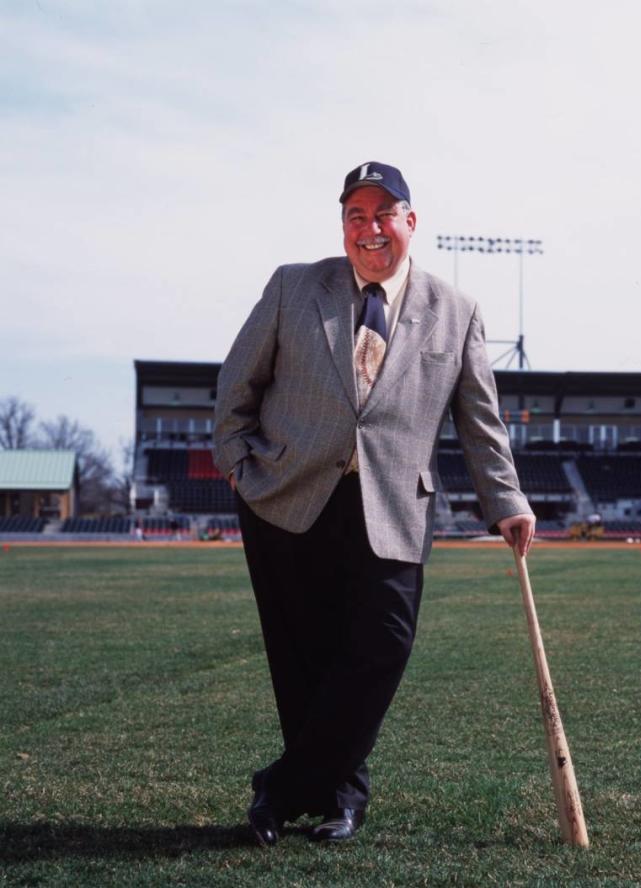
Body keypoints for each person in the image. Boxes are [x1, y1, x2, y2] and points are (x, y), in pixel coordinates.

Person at [213, 161, 535, 847]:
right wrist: (238, 465)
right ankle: (341, 798)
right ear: (343, 227)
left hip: (391, 505)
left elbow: (479, 420)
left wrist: (504, 498)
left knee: (382, 645)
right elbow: (236, 384)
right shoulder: (293, 287)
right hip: (286, 496)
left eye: (383, 214)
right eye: (355, 216)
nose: (369, 229)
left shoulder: (458, 311)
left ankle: (281, 788)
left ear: (410, 223)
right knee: (302, 659)